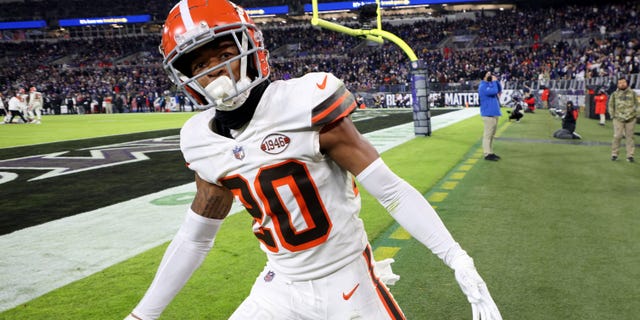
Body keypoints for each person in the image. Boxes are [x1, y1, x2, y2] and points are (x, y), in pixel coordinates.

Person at [124, 1, 502, 320]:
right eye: (199, 66)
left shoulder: (304, 102)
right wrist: (142, 315)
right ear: (187, 80)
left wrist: (457, 258)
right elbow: (195, 239)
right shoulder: (200, 139)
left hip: (346, 279)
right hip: (280, 287)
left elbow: (392, 192)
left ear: (251, 51)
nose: (215, 72)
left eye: (225, 55)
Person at [607, 78, 638, 162]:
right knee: (617, 136)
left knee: (630, 137)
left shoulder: (633, 93)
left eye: (623, 82)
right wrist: (612, 115)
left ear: (626, 83)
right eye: (620, 83)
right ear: (617, 85)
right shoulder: (614, 94)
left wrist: (637, 115)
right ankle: (614, 154)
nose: (622, 84)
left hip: (631, 118)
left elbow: (637, 104)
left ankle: (630, 155)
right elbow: (610, 105)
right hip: (618, 118)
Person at [478, 71, 502, 161]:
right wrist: (494, 82)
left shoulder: (490, 84)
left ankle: (490, 152)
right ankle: (487, 154)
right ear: (484, 76)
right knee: (487, 135)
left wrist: (497, 81)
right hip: (488, 114)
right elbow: (494, 91)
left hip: (494, 113)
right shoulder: (483, 86)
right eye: (488, 74)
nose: (491, 76)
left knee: (492, 135)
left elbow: (499, 90)